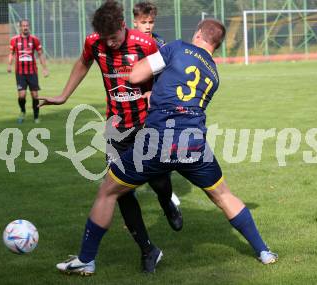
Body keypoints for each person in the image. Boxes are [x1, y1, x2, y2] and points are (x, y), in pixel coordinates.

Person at [54, 18, 278, 276]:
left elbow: (136, 75)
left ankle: (86, 260)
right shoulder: (214, 74)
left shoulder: (177, 48)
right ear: (216, 44)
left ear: (197, 33)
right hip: (194, 143)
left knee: (108, 191)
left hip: (159, 140)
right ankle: (263, 251)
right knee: (223, 195)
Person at [38, 0, 182, 273]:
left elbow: (167, 73)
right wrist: (63, 96)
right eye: (106, 40)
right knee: (118, 192)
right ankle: (148, 250)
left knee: (159, 181)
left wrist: (156, 93)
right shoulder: (94, 42)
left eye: (114, 38)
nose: (111, 44)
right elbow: (82, 63)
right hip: (116, 128)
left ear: (123, 26)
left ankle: (167, 203)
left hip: (146, 124)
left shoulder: (145, 43)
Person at [133, 1, 181, 206]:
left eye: (151, 22)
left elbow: (168, 72)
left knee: (158, 146)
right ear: (135, 21)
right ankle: (125, 183)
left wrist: (156, 91)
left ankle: (167, 193)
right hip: (131, 101)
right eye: (143, 22)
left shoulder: (160, 43)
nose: (148, 26)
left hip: (156, 103)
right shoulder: (129, 43)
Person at [8, 19, 48, 124]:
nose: (25, 27)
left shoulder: (34, 40)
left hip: (32, 72)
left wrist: (44, 68)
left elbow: (40, 54)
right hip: (20, 73)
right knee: (21, 95)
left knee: (35, 95)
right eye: (23, 26)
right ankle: (22, 111)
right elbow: (11, 53)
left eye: (27, 25)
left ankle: (36, 116)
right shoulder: (14, 40)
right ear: (20, 27)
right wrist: (9, 65)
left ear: (29, 26)